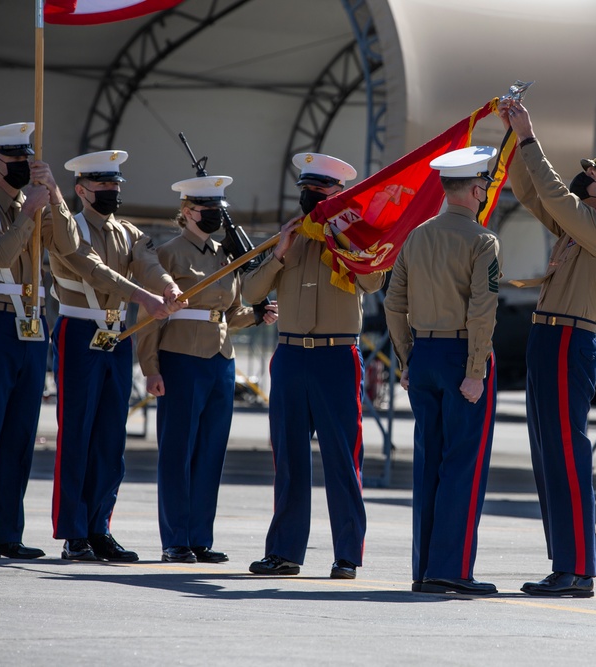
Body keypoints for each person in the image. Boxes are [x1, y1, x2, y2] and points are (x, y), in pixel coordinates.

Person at [500, 98, 596, 598]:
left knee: (563, 454)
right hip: (549, 338)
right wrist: (513, 145)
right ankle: (585, 553)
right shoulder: (584, 225)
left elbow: (558, 198)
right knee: (548, 456)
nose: (583, 181)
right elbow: (531, 191)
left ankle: (575, 569)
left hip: (568, 340)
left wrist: (531, 138)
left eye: (593, 179)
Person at [242, 153, 384, 579]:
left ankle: (346, 555)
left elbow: (374, 280)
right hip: (290, 355)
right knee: (288, 457)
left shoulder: (358, 237)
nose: (311, 199)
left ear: (338, 196)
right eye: (307, 191)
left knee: (342, 458)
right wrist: (280, 254)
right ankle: (284, 552)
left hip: (336, 357)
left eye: (320, 193)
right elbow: (250, 291)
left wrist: (340, 237)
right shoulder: (290, 236)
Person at [49, 150, 183, 562]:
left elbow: (146, 263)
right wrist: (143, 295)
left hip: (118, 333)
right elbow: (92, 269)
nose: (112, 191)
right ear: (81, 189)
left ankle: (99, 526)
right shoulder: (68, 228)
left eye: (115, 185)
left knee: (110, 437)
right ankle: (74, 532)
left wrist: (167, 287)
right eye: (103, 185)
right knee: (78, 432)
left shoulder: (127, 231)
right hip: (81, 329)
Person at [137, 175, 277, 564]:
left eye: (219, 208)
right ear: (187, 212)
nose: (215, 215)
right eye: (206, 209)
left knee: (211, 453)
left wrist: (257, 316)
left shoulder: (224, 254)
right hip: (181, 358)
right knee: (177, 451)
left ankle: (199, 536)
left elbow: (228, 314)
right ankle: (175, 539)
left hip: (221, 361)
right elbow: (149, 316)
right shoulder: (169, 253)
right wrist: (150, 367)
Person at [383, 146, 502, 595]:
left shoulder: (417, 236)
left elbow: (395, 303)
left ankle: (426, 569)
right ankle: (452, 569)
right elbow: (482, 310)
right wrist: (475, 369)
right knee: (463, 467)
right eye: (485, 186)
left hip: (425, 357)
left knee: (429, 463)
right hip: (460, 359)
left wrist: (405, 358)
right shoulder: (482, 241)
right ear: (475, 190)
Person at [0, 122, 80, 559]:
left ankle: (10, 531)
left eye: (27, 161)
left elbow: (71, 246)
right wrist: (29, 211)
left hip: (32, 325)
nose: (21, 168)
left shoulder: (39, 202)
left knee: (20, 435)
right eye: (13, 162)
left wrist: (57, 198)